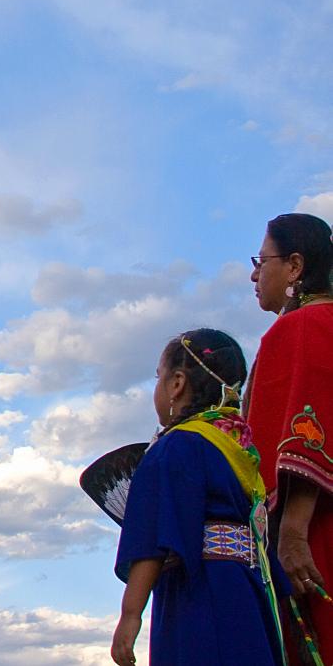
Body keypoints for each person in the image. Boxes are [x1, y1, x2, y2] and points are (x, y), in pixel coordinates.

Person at [110, 329, 284, 666]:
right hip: (247, 590)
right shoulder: (240, 450)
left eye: (158, 377)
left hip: (197, 595)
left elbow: (151, 538)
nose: (157, 386)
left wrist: (130, 615)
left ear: (177, 384)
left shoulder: (174, 447)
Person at [245, 212, 333, 660]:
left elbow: (310, 429)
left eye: (264, 260)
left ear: (295, 266)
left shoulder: (302, 327)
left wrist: (294, 532)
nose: (255, 273)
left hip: (316, 531)